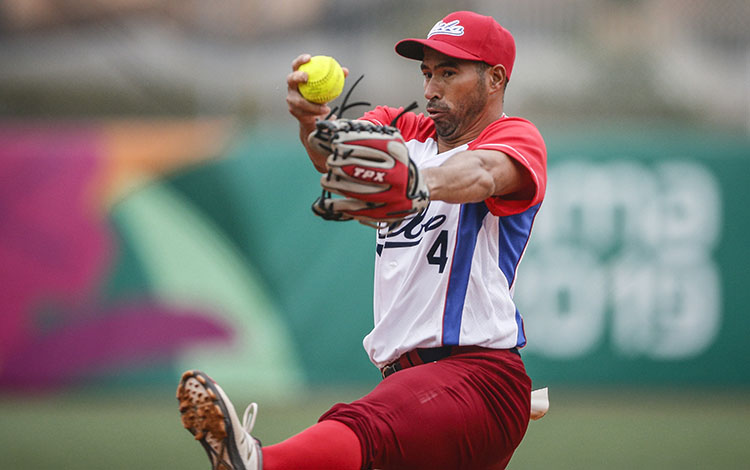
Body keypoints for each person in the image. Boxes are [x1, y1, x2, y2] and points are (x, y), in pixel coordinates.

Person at [177, 10, 547, 470]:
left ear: (494, 79)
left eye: (449, 73)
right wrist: (311, 121)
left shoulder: (513, 137)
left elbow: (483, 172)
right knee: (367, 432)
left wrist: (415, 182)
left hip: (478, 377)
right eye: (427, 73)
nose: (431, 89)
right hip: (410, 385)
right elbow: (331, 154)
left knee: (364, 428)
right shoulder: (405, 129)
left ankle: (255, 462)